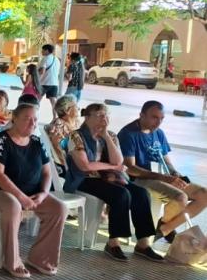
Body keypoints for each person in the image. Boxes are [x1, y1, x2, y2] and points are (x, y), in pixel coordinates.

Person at [64, 103, 163, 262]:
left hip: (110, 178)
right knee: (121, 194)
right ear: (87, 118)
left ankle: (143, 244)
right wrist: (112, 166)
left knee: (141, 193)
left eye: (106, 115)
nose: (104, 119)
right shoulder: (76, 136)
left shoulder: (111, 135)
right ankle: (113, 242)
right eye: (99, 115)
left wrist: (106, 137)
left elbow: (119, 160)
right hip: (84, 179)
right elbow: (85, 166)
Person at [0, 103, 66, 278]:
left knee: (59, 209)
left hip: (32, 193)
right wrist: (21, 198)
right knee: (13, 206)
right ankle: (11, 261)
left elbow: (47, 171)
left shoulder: (37, 142)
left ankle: (40, 258)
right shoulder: (0, 141)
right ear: (14, 119)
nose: (32, 123)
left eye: (35, 119)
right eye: (27, 119)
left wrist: (43, 193)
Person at [119, 101, 207, 243]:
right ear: (141, 115)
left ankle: (165, 228)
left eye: (161, 118)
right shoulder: (128, 134)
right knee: (181, 197)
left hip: (160, 177)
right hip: (138, 179)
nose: (158, 122)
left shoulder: (158, 133)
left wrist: (174, 172)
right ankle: (165, 229)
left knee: (203, 195)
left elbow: (166, 160)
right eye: (154, 117)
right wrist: (164, 178)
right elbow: (131, 168)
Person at [45, 95, 80, 172]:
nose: (78, 108)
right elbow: (59, 151)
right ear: (67, 110)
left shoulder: (76, 122)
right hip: (67, 166)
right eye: (76, 106)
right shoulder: (58, 125)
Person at [38, 44, 61, 117]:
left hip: (44, 83)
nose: (42, 51)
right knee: (53, 102)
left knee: (37, 100)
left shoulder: (45, 58)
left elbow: (42, 72)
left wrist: (36, 75)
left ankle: (34, 116)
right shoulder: (57, 59)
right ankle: (55, 117)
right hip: (54, 83)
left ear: (47, 51)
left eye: (43, 50)